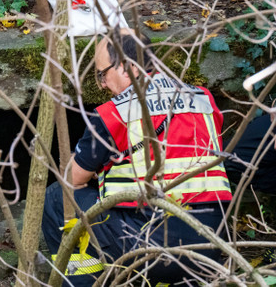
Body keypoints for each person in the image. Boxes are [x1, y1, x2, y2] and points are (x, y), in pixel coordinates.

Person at [42, 29, 232, 285]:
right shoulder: (202, 99)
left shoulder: (115, 114)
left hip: (155, 251)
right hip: (212, 245)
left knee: (57, 197)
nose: (102, 85)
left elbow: (72, 180)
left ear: (125, 66)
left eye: (101, 74)